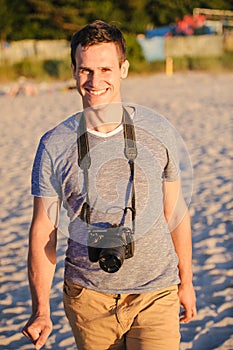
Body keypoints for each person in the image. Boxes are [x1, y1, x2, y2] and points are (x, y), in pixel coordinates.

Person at [22, 20, 196, 350]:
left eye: (105, 69)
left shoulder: (158, 131)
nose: (95, 80)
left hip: (156, 292)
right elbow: (44, 229)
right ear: (73, 70)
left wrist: (186, 281)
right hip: (88, 299)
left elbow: (175, 212)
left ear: (123, 69)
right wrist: (40, 309)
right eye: (85, 70)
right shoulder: (55, 144)